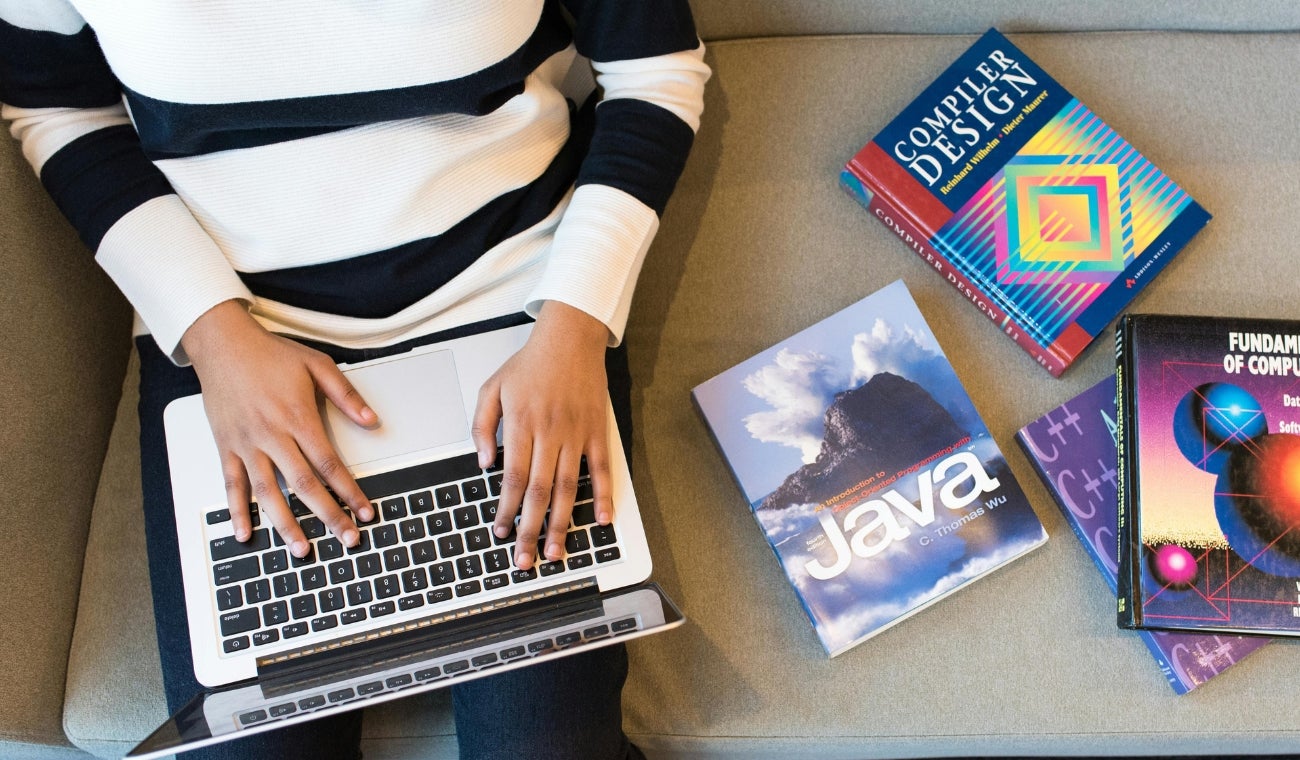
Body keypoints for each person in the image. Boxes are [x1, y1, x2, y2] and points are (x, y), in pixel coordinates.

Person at [0, 2, 709, 758]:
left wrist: (576, 325)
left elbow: (655, 69)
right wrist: (211, 333)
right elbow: (58, 107)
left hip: (516, 308)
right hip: (242, 333)